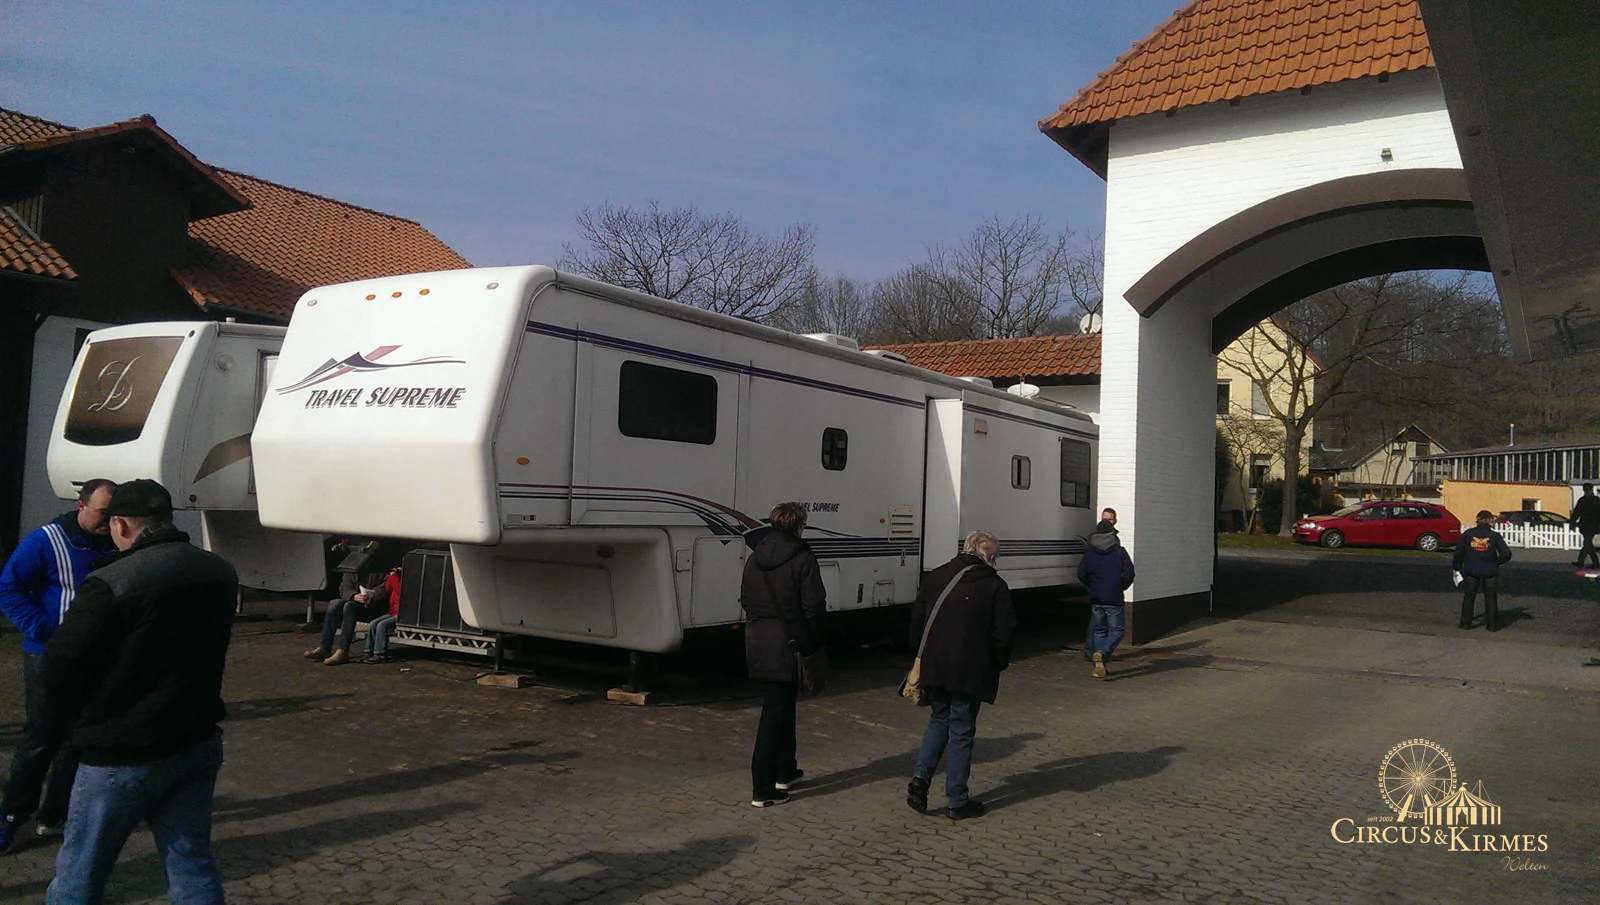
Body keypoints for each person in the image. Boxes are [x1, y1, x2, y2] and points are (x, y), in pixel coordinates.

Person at [38, 479, 237, 903]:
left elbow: (58, 666)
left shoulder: (111, 582)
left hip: (121, 750)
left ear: (122, 525)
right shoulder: (220, 571)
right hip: (194, 739)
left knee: (79, 876)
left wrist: (73, 720)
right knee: (191, 865)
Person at [0, 478, 115, 853]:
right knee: (41, 738)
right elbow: (8, 588)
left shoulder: (116, 543)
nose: (109, 521)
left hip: (96, 658)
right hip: (49, 655)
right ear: (81, 505)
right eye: (102, 513)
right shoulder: (46, 540)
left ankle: (55, 815)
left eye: (114, 514)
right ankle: (11, 815)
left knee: (79, 737)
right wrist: (44, 630)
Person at [905, 530, 1016, 820]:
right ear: (989, 557)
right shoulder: (994, 585)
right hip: (971, 670)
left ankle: (920, 779)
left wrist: (919, 656)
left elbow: (917, 620)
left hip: (936, 665)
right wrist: (997, 663)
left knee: (939, 720)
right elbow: (1003, 633)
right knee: (962, 731)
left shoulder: (936, 576)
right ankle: (957, 799)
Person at [740, 502, 826, 809]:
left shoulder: (755, 557)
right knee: (773, 715)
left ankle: (785, 771)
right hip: (788, 642)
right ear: (799, 526)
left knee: (783, 706)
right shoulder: (803, 558)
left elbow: (745, 598)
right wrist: (812, 640)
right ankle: (763, 789)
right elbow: (814, 605)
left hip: (758, 639)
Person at [303, 540, 394, 666]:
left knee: (349, 606)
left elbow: (385, 587)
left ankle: (343, 650)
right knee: (335, 603)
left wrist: (370, 595)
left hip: (374, 607)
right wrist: (354, 595)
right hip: (356, 602)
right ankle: (324, 647)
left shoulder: (383, 569)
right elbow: (344, 588)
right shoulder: (352, 568)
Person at [1078, 519, 1136, 679]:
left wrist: (1091, 585)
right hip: (1114, 597)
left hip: (1096, 597)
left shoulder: (1089, 552)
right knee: (1117, 630)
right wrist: (1122, 586)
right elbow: (1130, 573)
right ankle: (1102, 653)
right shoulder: (1119, 552)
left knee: (1099, 630)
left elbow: (1081, 573)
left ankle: (1099, 665)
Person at [1454, 510, 1512, 631]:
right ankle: (1492, 625)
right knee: (1491, 599)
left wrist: (1457, 567)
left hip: (1471, 570)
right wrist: (1496, 562)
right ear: (1489, 520)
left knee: (1469, 597)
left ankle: (1465, 624)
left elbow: (1459, 552)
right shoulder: (1494, 536)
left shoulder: (1468, 534)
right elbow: (1506, 554)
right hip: (1490, 571)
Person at [361, 566, 404, 664]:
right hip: (392, 612)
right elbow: (388, 588)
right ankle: (368, 651)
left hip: (402, 613)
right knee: (373, 623)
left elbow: (400, 591)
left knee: (382, 625)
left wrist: (395, 577)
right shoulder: (394, 579)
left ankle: (380, 653)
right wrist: (391, 577)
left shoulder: (405, 581)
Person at [1572, 484, 1600, 568]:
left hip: (1592, 526)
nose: (1586, 492)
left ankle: (1580, 562)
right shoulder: (1584, 500)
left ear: (1591, 490)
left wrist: (1572, 522)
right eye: (1585, 490)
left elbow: (1577, 512)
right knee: (1588, 544)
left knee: (1587, 543)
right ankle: (1596, 564)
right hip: (1586, 526)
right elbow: (1576, 512)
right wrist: (1572, 521)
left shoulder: (1596, 501)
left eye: (1587, 490)